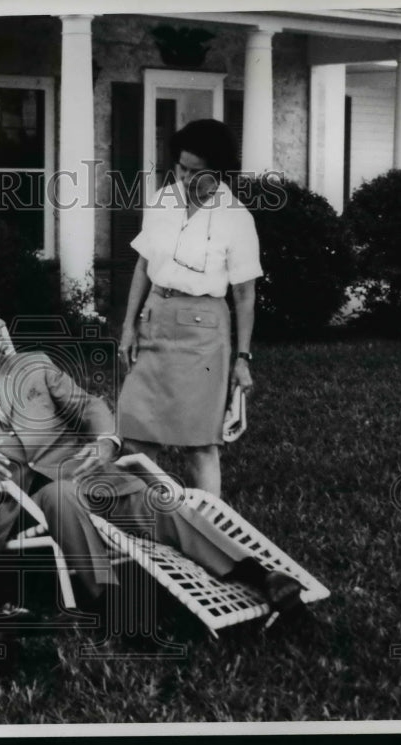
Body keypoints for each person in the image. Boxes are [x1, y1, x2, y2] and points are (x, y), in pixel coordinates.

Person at [0, 290, 303, 624]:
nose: (0, 322)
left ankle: (258, 575)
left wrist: (105, 442)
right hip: (18, 502)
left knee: (155, 499)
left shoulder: (33, 365)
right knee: (60, 495)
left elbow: (90, 406)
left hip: (85, 472)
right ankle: (109, 602)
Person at [118, 119, 260, 499]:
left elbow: (244, 295)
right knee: (134, 435)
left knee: (200, 444)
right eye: (181, 167)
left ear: (219, 171)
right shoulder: (163, 200)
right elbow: (143, 265)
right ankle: (157, 516)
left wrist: (242, 358)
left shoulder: (237, 217)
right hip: (154, 321)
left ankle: (208, 528)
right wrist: (128, 327)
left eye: (196, 171)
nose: (185, 177)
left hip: (203, 334)